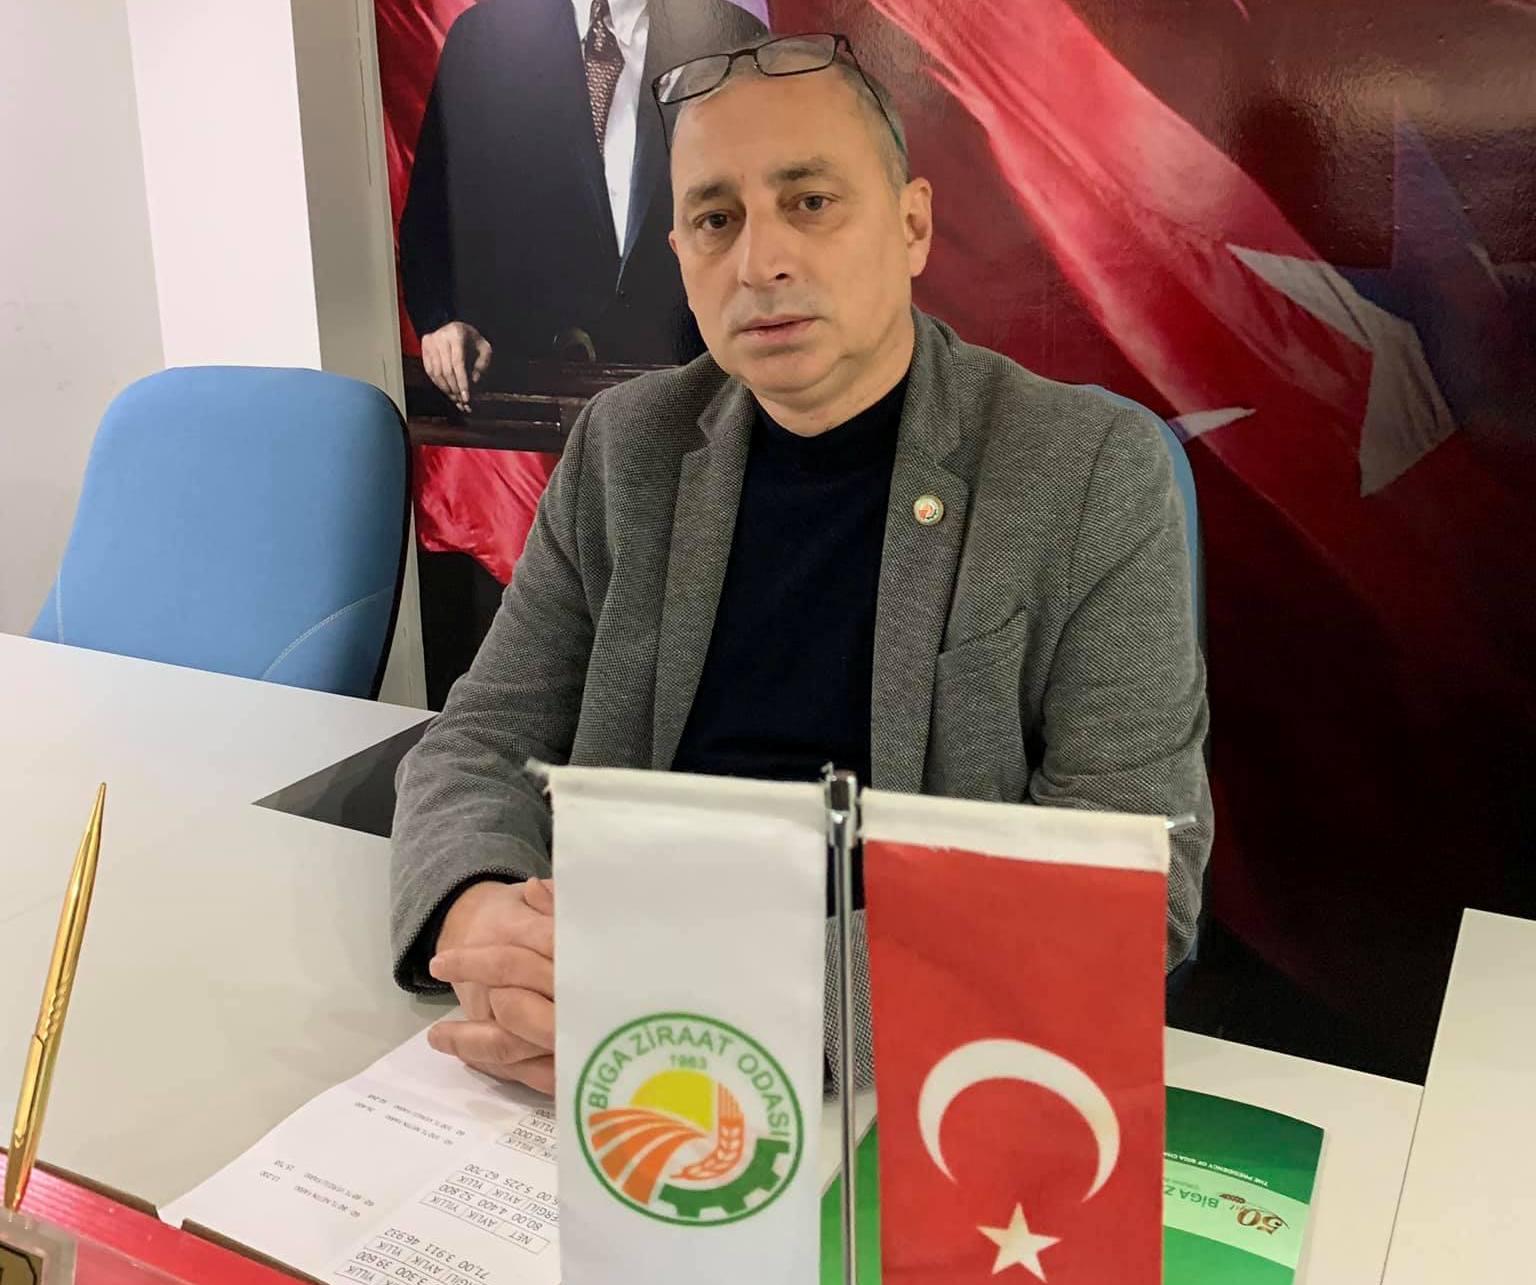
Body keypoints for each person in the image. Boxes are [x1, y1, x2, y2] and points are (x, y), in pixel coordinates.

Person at [389, 34, 1213, 1095]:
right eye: (716, 219)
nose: (760, 262)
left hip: (895, 1085)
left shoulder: (1088, 469)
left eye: (811, 202)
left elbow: (1129, 878)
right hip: (587, 1051)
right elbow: (483, 737)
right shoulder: (624, 447)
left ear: (912, 226)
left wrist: (722, 1014)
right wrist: (482, 919)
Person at [400, 0, 766, 410]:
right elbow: (430, 217)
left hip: (695, 392)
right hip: (524, 395)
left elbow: (763, 208)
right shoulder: (481, 38)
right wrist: (443, 320)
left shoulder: (731, 35)